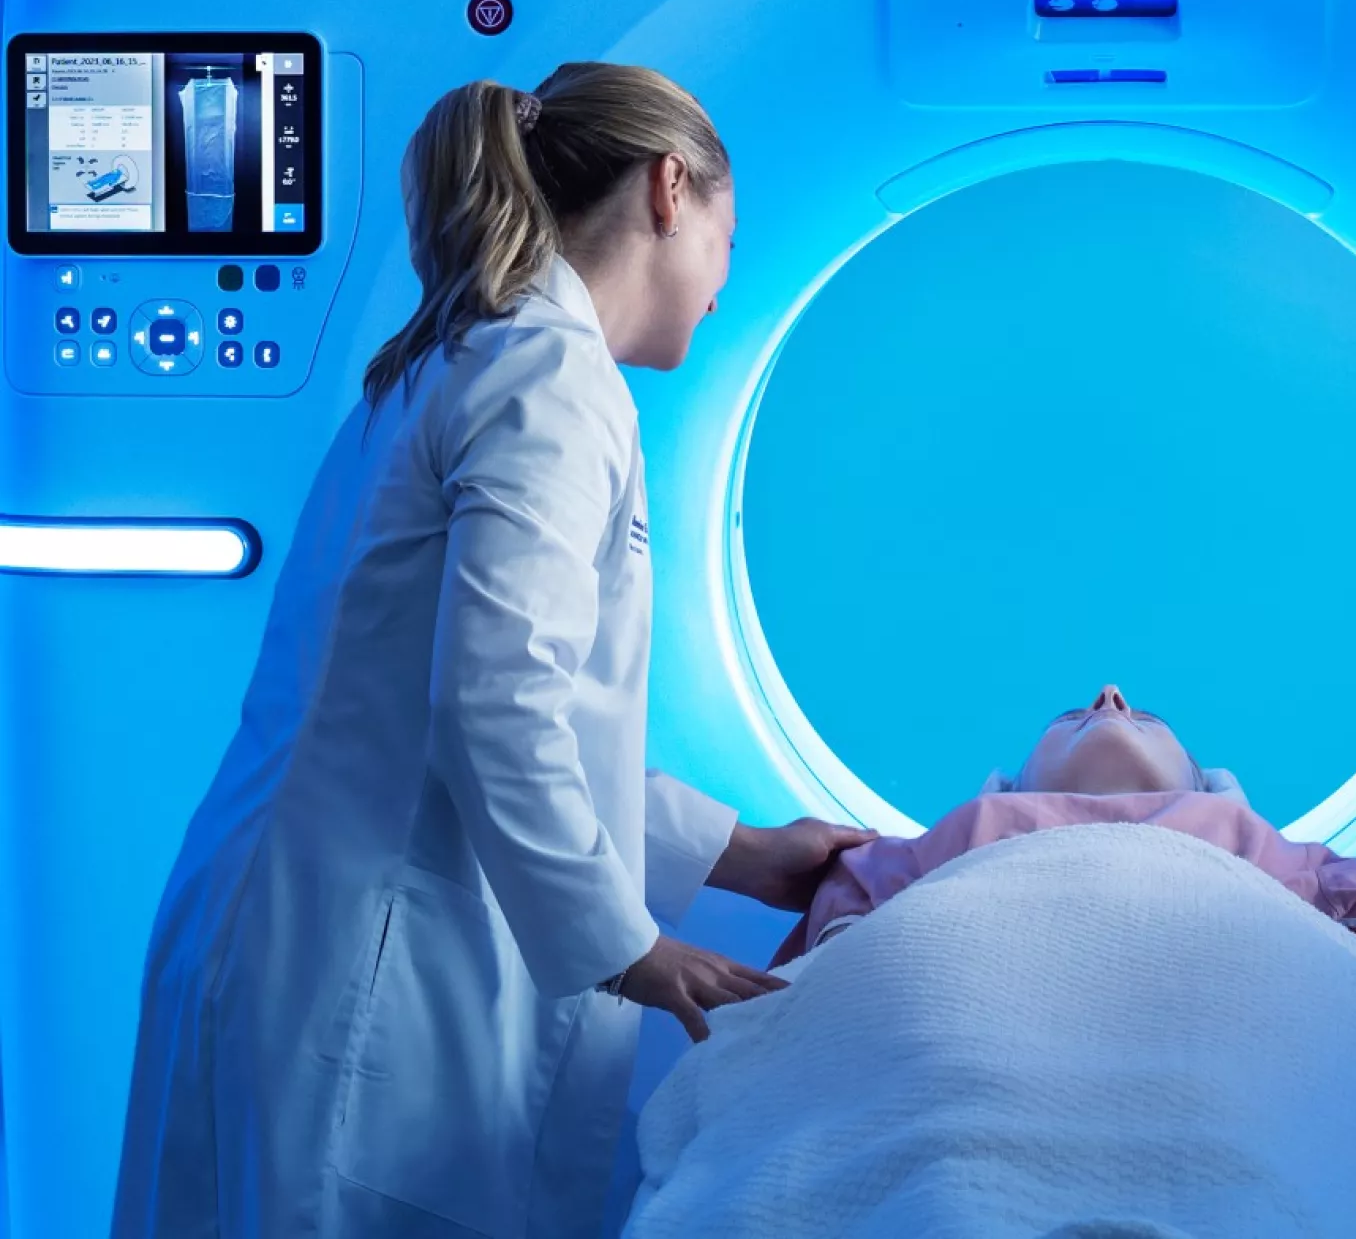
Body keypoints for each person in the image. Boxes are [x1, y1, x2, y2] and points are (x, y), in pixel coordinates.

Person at [110, 63, 874, 1239]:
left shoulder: (457, 353)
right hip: (353, 972)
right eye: (730, 240)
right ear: (670, 190)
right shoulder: (549, 377)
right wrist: (629, 951)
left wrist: (743, 852)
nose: (725, 288)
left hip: (296, 923)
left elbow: (499, 707)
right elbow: (495, 707)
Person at [770, 683, 1356, 973]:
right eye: (1069, 715)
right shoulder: (945, 839)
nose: (1110, 694)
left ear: (1208, 785)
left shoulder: (1277, 851)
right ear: (1011, 787)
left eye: (1146, 711)